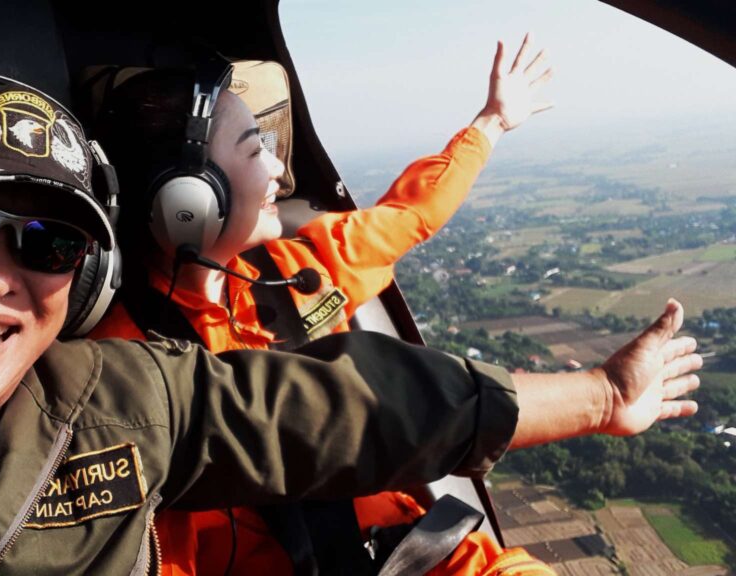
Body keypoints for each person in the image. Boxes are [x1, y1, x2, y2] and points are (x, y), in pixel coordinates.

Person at [0, 76, 700, 576]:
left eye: (49, 246)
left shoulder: (112, 401)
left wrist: (605, 396)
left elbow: (348, 403)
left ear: (81, 271)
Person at [83, 37, 645, 575]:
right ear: (188, 201)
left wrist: (492, 122)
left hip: (412, 553)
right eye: (256, 149)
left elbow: (410, 216)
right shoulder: (124, 371)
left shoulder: (293, 272)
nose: (279, 168)